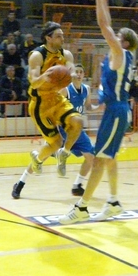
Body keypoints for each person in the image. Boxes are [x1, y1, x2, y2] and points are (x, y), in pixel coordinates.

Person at [59, 0, 138, 225]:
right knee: (110, 158)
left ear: (124, 42)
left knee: (99, 161)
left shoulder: (120, 53)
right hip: (117, 109)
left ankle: (81, 207)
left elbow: (104, 24)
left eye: (117, 35)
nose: (112, 36)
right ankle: (113, 202)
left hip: (117, 112)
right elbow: (108, 25)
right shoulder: (123, 57)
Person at [12, 64, 97, 199]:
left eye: (81, 72)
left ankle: (77, 185)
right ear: (72, 74)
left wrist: (102, 105)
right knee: (42, 157)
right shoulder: (65, 89)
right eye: (76, 71)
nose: (79, 74)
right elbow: (54, 108)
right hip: (63, 129)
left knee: (91, 157)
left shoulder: (86, 89)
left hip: (76, 132)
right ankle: (20, 183)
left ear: (84, 74)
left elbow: (88, 107)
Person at [26, 22, 84, 179]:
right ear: (48, 38)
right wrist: (46, 76)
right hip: (40, 103)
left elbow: (70, 72)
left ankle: (64, 153)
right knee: (55, 142)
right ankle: (38, 160)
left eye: (63, 36)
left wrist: (70, 75)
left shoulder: (66, 55)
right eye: (59, 36)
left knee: (78, 121)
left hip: (56, 98)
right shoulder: (37, 55)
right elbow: (34, 82)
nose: (62, 39)